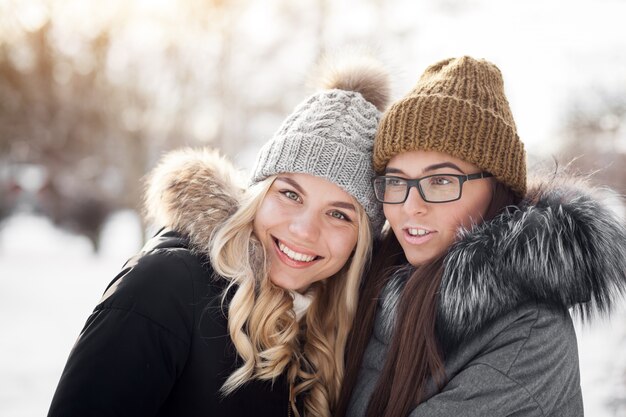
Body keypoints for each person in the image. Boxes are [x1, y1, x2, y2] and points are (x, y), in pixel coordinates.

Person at [48, 57, 389, 417]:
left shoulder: (338, 333)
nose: (304, 229)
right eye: (290, 194)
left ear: (361, 239)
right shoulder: (168, 287)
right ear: (257, 195)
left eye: (338, 214)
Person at [337, 56, 626, 417]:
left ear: (497, 188)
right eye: (396, 181)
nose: (411, 206)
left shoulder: (531, 334)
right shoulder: (371, 284)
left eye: (441, 181)